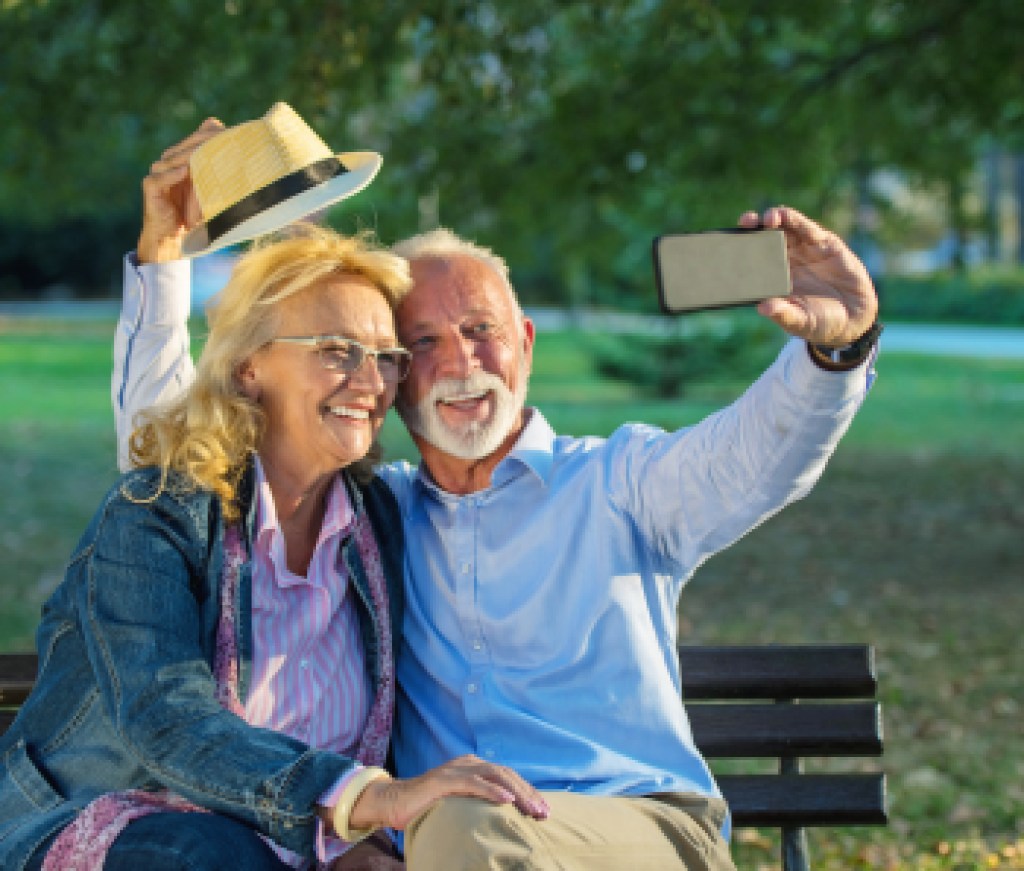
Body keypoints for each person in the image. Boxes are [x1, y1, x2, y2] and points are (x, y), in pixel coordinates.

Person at [111, 121, 880, 871]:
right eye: (424, 344)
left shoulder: (619, 483)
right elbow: (183, 455)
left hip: (636, 828)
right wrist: (165, 257)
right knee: (456, 826)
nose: (461, 361)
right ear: (394, 374)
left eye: (482, 329)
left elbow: (753, 458)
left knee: (463, 825)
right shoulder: (375, 519)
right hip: (453, 837)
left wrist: (832, 352)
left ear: (527, 343)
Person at [0, 221, 547, 871]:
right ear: (248, 366)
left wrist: (361, 845)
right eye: (337, 349)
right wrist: (365, 799)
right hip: (123, 827)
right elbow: (167, 719)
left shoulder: (378, 522)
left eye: (386, 356)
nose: (371, 382)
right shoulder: (155, 516)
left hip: (299, 842)